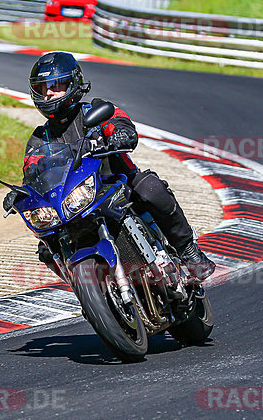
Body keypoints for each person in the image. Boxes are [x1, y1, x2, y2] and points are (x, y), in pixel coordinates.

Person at [23, 51, 216, 283]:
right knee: (46, 247)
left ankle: (189, 252)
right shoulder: (39, 138)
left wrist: (122, 134)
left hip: (119, 184)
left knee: (151, 188)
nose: (49, 93)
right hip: (75, 201)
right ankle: (84, 288)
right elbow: (31, 170)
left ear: (73, 83)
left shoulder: (94, 110)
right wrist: (20, 192)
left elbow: (118, 121)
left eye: (55, 86)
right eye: (43, 88)